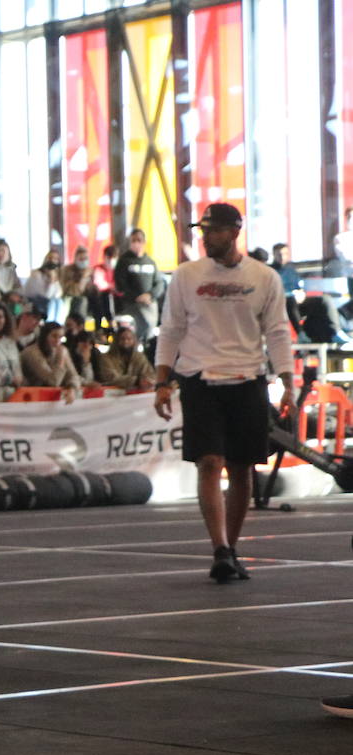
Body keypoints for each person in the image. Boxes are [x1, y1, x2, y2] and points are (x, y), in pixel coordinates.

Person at [153, 203, 294, 583]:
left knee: (243, 468)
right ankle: (218, 548)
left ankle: (231, 547)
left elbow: (278, 331)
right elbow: (171, 330)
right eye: (202, 230)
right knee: (209, 462)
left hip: (248, 378)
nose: (205, 237)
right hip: (199, 377)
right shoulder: (186, 276)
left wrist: (288, 382)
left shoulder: (264, 277)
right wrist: (161, 381)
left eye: (213, 230)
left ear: (234, 231)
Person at [115, 229, 167, 343]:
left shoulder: (150, 262)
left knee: (150, 330)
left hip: (149, 303)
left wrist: (150, 295)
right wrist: (136, 297)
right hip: (131, 304)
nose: (136, 243)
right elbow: (120, 284)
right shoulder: (124, 261)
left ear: (144, 242)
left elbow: (159, 283)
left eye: (139, 240)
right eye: (133, 240)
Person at [19, 321, 81, 395]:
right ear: (45, 336)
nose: (57, 341)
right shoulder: (32, 352)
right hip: (28, 398)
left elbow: (74, 375)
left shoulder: (60, 351)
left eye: (60, 337)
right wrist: (61, 359)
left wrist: (72, 388)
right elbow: (53, 381)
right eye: (54, 336)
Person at [24, 250, 65, 322]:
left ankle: (57, 324)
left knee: (58, 301)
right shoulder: (36, 274)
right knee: (52, 302)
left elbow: (58, 294)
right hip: (35, 301)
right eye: (50, 258)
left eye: (55, 259)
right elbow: (45, 295)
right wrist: (51, 282)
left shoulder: (56, 276)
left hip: (48, 301)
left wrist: (53, 280)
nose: (52, 260)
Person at [91, 243, 121, 329]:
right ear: (104, 257)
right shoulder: (98, 268)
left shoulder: (119, 270)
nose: (111, 260)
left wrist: (112, 287)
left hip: (118, 299)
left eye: (113, 258)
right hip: (102, 297)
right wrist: (111, 287)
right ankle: (102, 326)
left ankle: (112, 323)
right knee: (105, 296)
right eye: (109, 257)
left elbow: (120, 287)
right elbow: (99, 284)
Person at [61, 245, 92, 319]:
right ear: (75, 259)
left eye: (85, 258)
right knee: (81, 301)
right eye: (81, 259)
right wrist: (83, 278)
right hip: (72, 297)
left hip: (90, 298)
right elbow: (73, 291)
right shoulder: (67, 270)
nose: (84, 261)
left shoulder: (90, 271)